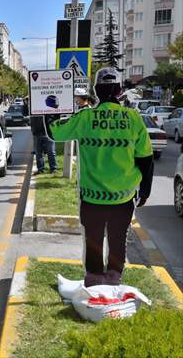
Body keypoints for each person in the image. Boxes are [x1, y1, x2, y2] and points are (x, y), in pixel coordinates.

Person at [48, 68, 153, 287]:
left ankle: (94, 281)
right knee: (118, 239)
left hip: (92, 198)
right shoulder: (133, 118)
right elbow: (145, 159)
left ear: (96, 90)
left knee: (94, 240)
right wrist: (145, 191)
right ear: (119, 91)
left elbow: (55, 132)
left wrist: (49, 109)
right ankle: (114, 278)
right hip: (123, 198)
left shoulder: (86, 117)